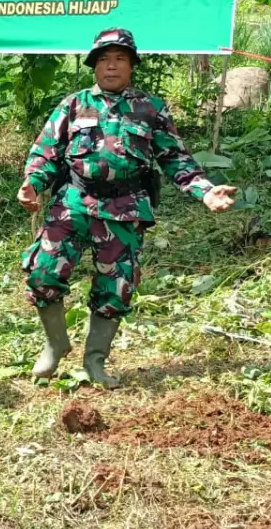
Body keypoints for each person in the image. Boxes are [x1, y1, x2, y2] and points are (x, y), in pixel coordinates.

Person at [17, 28, 238, 388]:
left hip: (126, 207)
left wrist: (206, 191)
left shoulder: (151, 109)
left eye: (119, 59)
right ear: (94, 66)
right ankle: (55, 346)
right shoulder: (73, 105)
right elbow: (46, 153)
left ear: (132, 65)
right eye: (104, 59)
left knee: (115, 287)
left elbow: (175, 158)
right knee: (42, 272)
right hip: (74, 200)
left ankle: (95, 361)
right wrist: (33, 184)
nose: (111, 66)